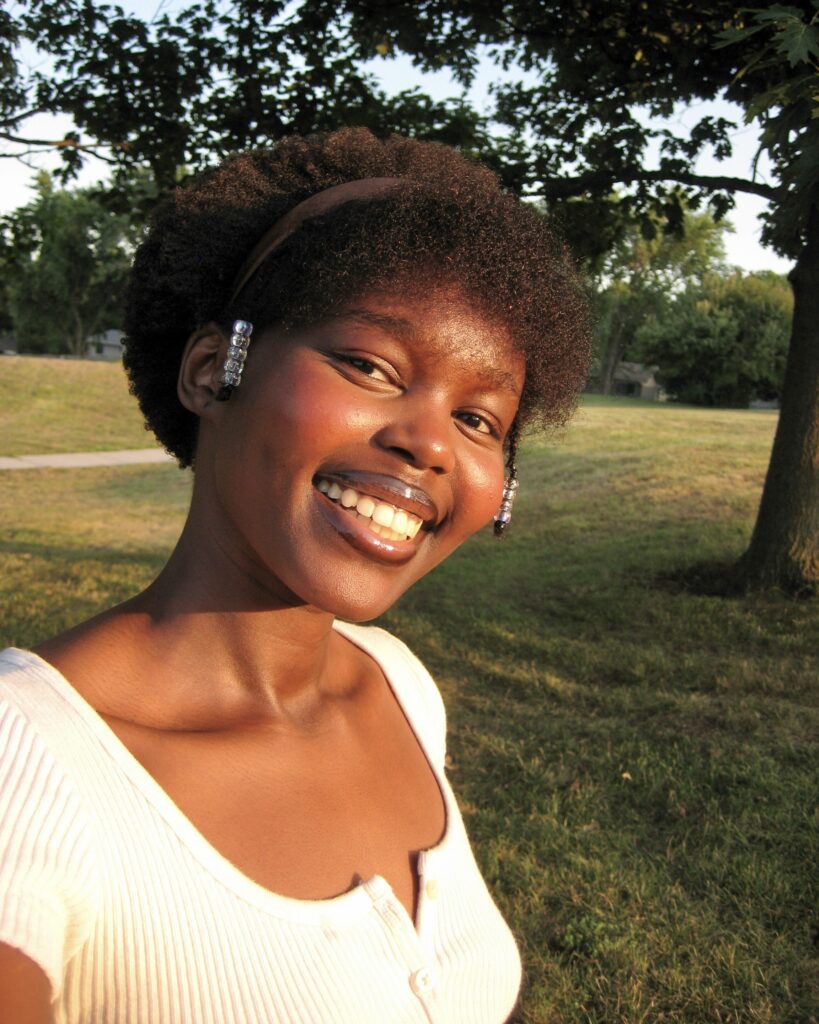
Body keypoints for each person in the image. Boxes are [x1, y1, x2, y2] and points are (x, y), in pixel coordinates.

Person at [0, 128, 589, 1023]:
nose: (430, 443)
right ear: (213, 370)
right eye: (368, 365)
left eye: (479, 420)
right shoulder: (28, 756)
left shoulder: (396, 685)